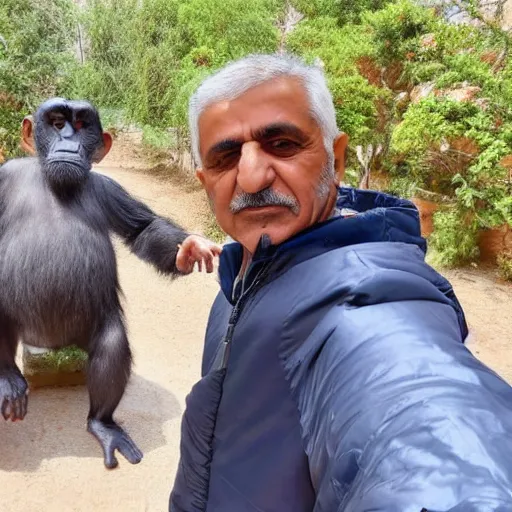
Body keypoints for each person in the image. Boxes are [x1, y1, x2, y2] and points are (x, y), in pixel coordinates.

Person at [169, 53, 512, 512]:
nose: (251, 176)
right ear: (204, 181)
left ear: (337, 157)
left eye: (283, 144)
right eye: (226, 156)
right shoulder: (243, 273)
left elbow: (427, 423)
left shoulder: (366, 307)